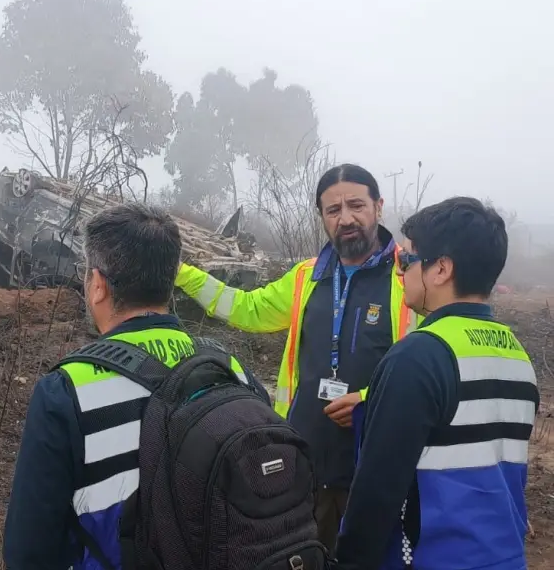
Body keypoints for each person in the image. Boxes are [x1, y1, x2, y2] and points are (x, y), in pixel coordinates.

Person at [3, 202, 281, 570]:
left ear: (98, 285)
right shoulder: (232, 369)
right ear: (170, 281)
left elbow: (29, 553)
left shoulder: (67, 392)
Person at [174, 163, 421, 553]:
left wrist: (370, 398)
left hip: (376, 466)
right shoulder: (307, 276)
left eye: (356, 205)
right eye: (333, 210)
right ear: (322, 218)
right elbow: (246, 308)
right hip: (304, 463)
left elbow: (429, 364)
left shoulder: (411, 277)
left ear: (378, 206)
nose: (346, 218)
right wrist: (183, 274)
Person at [333, 197, 539, 570]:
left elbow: (377, 492)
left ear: (441, 268)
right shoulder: (518, 356)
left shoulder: (420, 356)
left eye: (405, 260)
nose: (398, 273)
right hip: (503, 557)